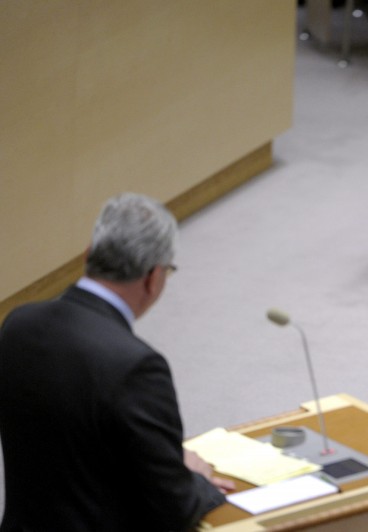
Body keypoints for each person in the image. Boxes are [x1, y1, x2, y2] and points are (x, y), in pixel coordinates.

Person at [0, 193, 235, 531]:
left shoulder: (18, 325)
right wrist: (191, 478)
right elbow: (173, 505)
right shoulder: (136, 366)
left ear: (88, 256)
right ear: (154, 278)